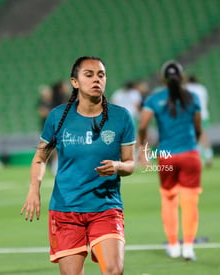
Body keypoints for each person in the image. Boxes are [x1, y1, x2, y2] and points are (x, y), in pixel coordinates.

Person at [20, 56, 135, 275]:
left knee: (113, 270)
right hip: (66, 210)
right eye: (89, 75)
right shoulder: (58, 117)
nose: (96, 80)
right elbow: (40, 157)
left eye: (100, 75)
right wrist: (34, 189)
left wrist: (119, 166)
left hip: (105, 208)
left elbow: (130, 163)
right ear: (75, 82)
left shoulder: (121, 117)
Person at [138, 61, 202, 261]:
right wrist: (193, 144)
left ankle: (173, 245)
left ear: (162, 79)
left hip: (166, 155)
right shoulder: (193, 97)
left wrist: (143, 149)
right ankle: (189, 247)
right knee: (190, 201)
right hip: (190, 153)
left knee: (169, 199)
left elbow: (142, 125)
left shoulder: (154, 99)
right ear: (182, 77)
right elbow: (198, 127)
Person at [186, 75, 214, 167]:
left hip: (193, 115)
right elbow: (206, 102)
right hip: (204, 114)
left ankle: (200, 156)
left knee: (195, 137)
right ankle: (207, 154)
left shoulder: (187, 88)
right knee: (203, 135)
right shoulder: (202, 88)